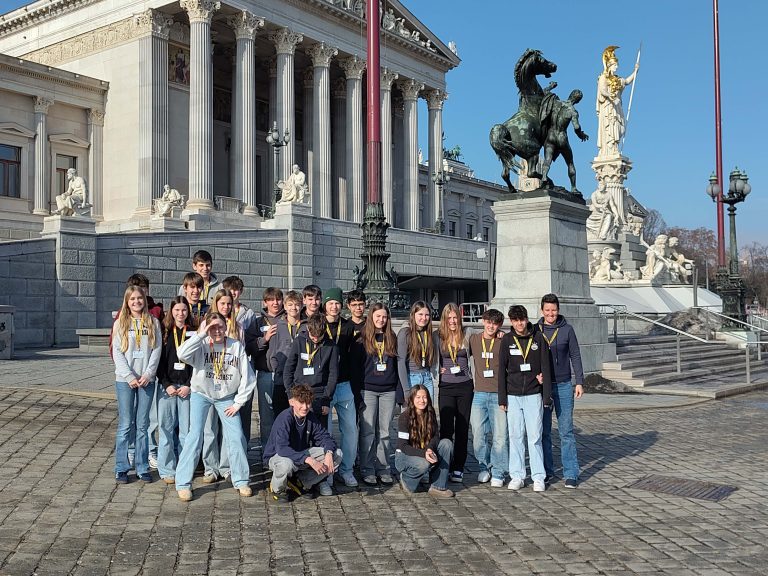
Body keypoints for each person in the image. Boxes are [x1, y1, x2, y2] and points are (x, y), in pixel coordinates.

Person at [175, 312, 256, 502]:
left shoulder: (236, 346)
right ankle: (183, 484)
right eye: (213, 327)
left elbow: (248, 377)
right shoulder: (201, 343)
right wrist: (201, 334)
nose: (217, 330)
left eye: (220, 326)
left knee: (236, 435)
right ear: (206, 328)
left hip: (226, 397)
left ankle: (241, 480)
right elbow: (181, 353)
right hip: (201, 394)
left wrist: (238, 402)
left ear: (226, 326)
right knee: (194, 435)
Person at [111, 286, 162, 484]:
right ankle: (121, 467)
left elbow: (156, 349)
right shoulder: (121, 323)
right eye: (132, 299)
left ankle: (142, 467)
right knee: (125, 425)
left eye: (139, 298)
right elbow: (117, 351)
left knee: (143, 426)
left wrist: (149, 374)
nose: (136, 302)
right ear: (127, 301)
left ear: (145, 300)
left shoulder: (153, 322)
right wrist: (129, 375)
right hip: (125, 380)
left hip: (146, 381)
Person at [498, 305, 552, 492]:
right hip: (513, 395)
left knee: (535, 436)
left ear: (527, 319)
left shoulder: (538, 338)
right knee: (515, 436)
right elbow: (501, 370)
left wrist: (546, 395)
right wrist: (502, 398)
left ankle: (538, 476)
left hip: (533, 394)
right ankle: (517, 475)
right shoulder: (507, 340)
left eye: (522, 320)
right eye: (515, 320)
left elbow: (546, 366)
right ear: (511, 322)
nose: (520, 324)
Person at [538, 294, 585, 489]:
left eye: (554, 310)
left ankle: (571, 472)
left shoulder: (567, 330)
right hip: (543, 387)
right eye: (547, 310)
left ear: (558, 310)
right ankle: (547, 471)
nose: (551, 313)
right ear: (542, 311)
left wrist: (579, 382)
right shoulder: (535, 329)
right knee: (545, 432)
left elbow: (575, 355)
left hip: (564, 385)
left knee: (566, 431)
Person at [264, 384, 342, 502]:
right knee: (286, 464)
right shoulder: (284, 418)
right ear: (292, 402)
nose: (305, 407)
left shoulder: (310, 417)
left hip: (299, 454)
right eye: (301, 403)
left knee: (338, 454)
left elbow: (325, 437)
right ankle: (278, 488)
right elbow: (282, 449)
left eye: (308, 403)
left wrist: (329, 453)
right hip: (278, 456)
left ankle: (302, 482)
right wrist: (309, 459)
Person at [354, 302, 400, 486]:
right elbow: (356, 369)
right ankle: (367, 468)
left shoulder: (392, 338)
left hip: (388, 391)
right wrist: (357, 393)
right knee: (367, 432)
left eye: (384, 317)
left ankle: (383, 468)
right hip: (368, 390)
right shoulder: (361, 339)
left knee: (385, 432)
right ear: (371, 318)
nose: (381, 320)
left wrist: (398, 392)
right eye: (378, 316)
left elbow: (396, 367)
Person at [468, 308, 508, 487]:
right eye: (489, 322)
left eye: (495, 323)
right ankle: (484, 466)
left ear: (499, 325)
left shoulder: (503, 340)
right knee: (478, 433)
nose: (491, 326)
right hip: (479, 394)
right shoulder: (474, 339)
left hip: (499, 394)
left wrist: (505, 333)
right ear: (483, 321)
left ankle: (498, 471)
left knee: (500, 435)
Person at [434, 302, 474, 484]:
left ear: (459, 317)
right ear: (444, 319)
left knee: (463, 427)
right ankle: (445, 463)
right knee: (447, 427)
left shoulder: (468, 334)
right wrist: (437, 368)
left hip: (465, 385)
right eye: (448, 317)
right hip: (446, 387)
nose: (452, 321)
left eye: (454, 317)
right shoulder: (438, 336)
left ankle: (458, 466)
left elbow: (484, 344)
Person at [324, 287, 359, 488]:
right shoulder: (319, 324)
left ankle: (347, 469)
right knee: (326, 432)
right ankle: (328, 473)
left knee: (350, 430)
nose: (334, 306)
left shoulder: (348, 326)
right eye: (331, 303)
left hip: (345, 384)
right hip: (327, 385)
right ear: (325, 305)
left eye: (337, 303)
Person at [155, 296, 193, 485]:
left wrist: (189, 384)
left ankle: (184, 468)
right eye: (177, 310)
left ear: (188, 312)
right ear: (171, 311)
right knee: (166, 429)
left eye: (184, 310)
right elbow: (158, 362)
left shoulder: (193, 332)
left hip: (186, 388)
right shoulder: (164, 332)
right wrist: (166, 384)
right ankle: (167, 469)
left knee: (186, 431)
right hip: (167, 387)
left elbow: (198, 362)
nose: (180, 314)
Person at [394, 385, 454, 498]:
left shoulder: (430, 414)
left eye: (424, 397)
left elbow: (436, 437)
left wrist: (429, 449)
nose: (422, 400)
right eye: (418, 397)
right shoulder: (404, 417)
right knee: (423, 463)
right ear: (412, 399)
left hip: (424, 452)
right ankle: (407, 479)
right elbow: (403, 446)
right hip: (404, 455)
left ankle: (438, 486)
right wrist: (424, 454)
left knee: (446, 444)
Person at [244, 287, 285, 445]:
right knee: (266, 416)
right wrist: (264, 339)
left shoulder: (288, 320)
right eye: (271, 300)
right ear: (265, 302)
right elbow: (249, 347)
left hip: (284, 374)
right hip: (265, 374)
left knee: (284, 415)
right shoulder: (258, 322)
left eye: (278, 299)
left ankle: (283, 450)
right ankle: (267, 453)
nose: (275, 303)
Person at [540, 89, 589, 193]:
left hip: (550, 136)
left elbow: (543, 93)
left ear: (570, 95)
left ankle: (544, 176)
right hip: (562, 138)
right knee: (570, 163)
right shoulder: (573, 111)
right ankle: (573, 187)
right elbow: (576, 127)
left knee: (547, 159)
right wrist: (581, 135)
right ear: (578, 101)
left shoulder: (556, 102)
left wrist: (550, 87)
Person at [596, 46, 639, 159]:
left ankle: (614, 147)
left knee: (618, 126)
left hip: (617, 106)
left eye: (616, 65)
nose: (617, 67)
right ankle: (608, 149)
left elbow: (627, 81)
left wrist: (635, 71)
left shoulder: (618, 79)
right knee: (609, 126)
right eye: (615, 65)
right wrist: (611, 97)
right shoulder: (603, 78)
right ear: (609, 65)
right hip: (608, 107)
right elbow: (602, 90)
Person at [269, 290, 306, 418]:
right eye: (290, 304)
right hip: (281, 380)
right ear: (284, 306)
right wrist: (277, 369)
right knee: (281, 416)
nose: (293, 308)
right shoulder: (278, 326)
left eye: (296, 304)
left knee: (300, 417)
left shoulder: (307, 326)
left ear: (301, 306)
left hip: (301, 380)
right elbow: (272, 352)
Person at [397, 301, 435, 401]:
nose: (424, 318)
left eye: (427, 315)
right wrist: (406, 389)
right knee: (412, 414)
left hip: (427, 377)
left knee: (428, 413)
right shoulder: (405, 333)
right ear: (413, 315)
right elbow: (400, 362)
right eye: (420, 314)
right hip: (411, 378)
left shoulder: (428, 333)